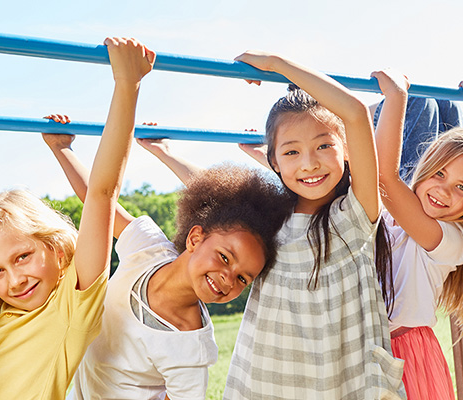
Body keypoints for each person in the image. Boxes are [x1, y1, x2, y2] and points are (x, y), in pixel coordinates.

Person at [139, 52, 406, 398]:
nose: (309, 163)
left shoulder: (354, 215)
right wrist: (164, 153)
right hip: (269, 377)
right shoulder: (269, 222)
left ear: (345, 151)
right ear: (274, 162)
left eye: (324, 145)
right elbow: (213, 194)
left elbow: (354, 112)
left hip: (343, 379)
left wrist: (279, 65)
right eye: (292, 152)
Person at [0, 37, 155, 399]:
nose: (15, 279)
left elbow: (102, 194)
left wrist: (127, 84)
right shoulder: (0, 309)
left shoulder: (71, 305)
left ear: (55, 248)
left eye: (22, 256)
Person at [39, 124, 293, 397]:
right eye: (224, 257)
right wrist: (61, 147)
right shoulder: (148, 248)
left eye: (243, 278)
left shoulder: (190, 346)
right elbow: (100, 200)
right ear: (195, 238)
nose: (228, 278)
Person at [373, 69, 463, 400]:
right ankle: (453, 113)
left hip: (404, 354)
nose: (443, 190)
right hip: (374, 345)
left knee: (421, 106)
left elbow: (384, 179)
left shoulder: (453, 240)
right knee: (440, 108)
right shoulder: (398, 217)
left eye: (461, 188)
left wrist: (396, 97)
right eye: (438, 172)